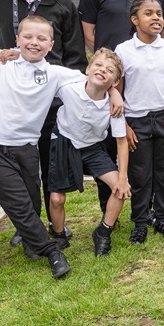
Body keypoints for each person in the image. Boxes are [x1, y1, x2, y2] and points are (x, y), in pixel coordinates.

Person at [0, 16, 110, 279]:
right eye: (28, 37)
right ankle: (52, 251)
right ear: (17, 39)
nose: (34, 43)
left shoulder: (55, 74)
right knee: (20, 204)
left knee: (33, 200)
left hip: (25, 147)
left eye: (41, 39)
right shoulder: (1, 61)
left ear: (51, 44)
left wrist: (113, 92)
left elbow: (94, 78)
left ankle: (29, 237)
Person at [0, 0, 88, 222]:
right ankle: (28, 223)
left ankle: (54, 221)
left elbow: (75, 56)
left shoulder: (63, 4)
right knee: (22, 168)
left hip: (49, 104)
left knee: (50, 164)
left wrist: (64, 99)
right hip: (13, 107)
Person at [79, 0, 164, 217]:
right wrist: (109, 81)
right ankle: (112, 210)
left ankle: (150, 212)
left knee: (144, 157)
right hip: (109, 85)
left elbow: (163, 34)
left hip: (144, 87)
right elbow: (89, 35)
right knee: (110, 149)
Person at [115, 0, 164, 245]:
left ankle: (162, 218)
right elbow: (116, 92)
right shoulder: (123, 51)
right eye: (149, 13)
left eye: (159, 13)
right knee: (140, 174)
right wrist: (124, 125)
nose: (156, 17)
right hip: (137, 121)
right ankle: (140, 222)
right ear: (135, 20)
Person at [46, 48, 131, 257]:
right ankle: (59, 235)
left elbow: (121, 142)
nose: (102, 70)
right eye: (98, 65)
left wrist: (122, 177)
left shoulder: (115, 107)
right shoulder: (69, 87)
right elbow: (41, 75)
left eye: (110, 70)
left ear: (115, 81)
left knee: (121, 189)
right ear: (88, 69)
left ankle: (103, 232)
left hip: (93, 148)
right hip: (64, 143)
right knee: (57, 199)